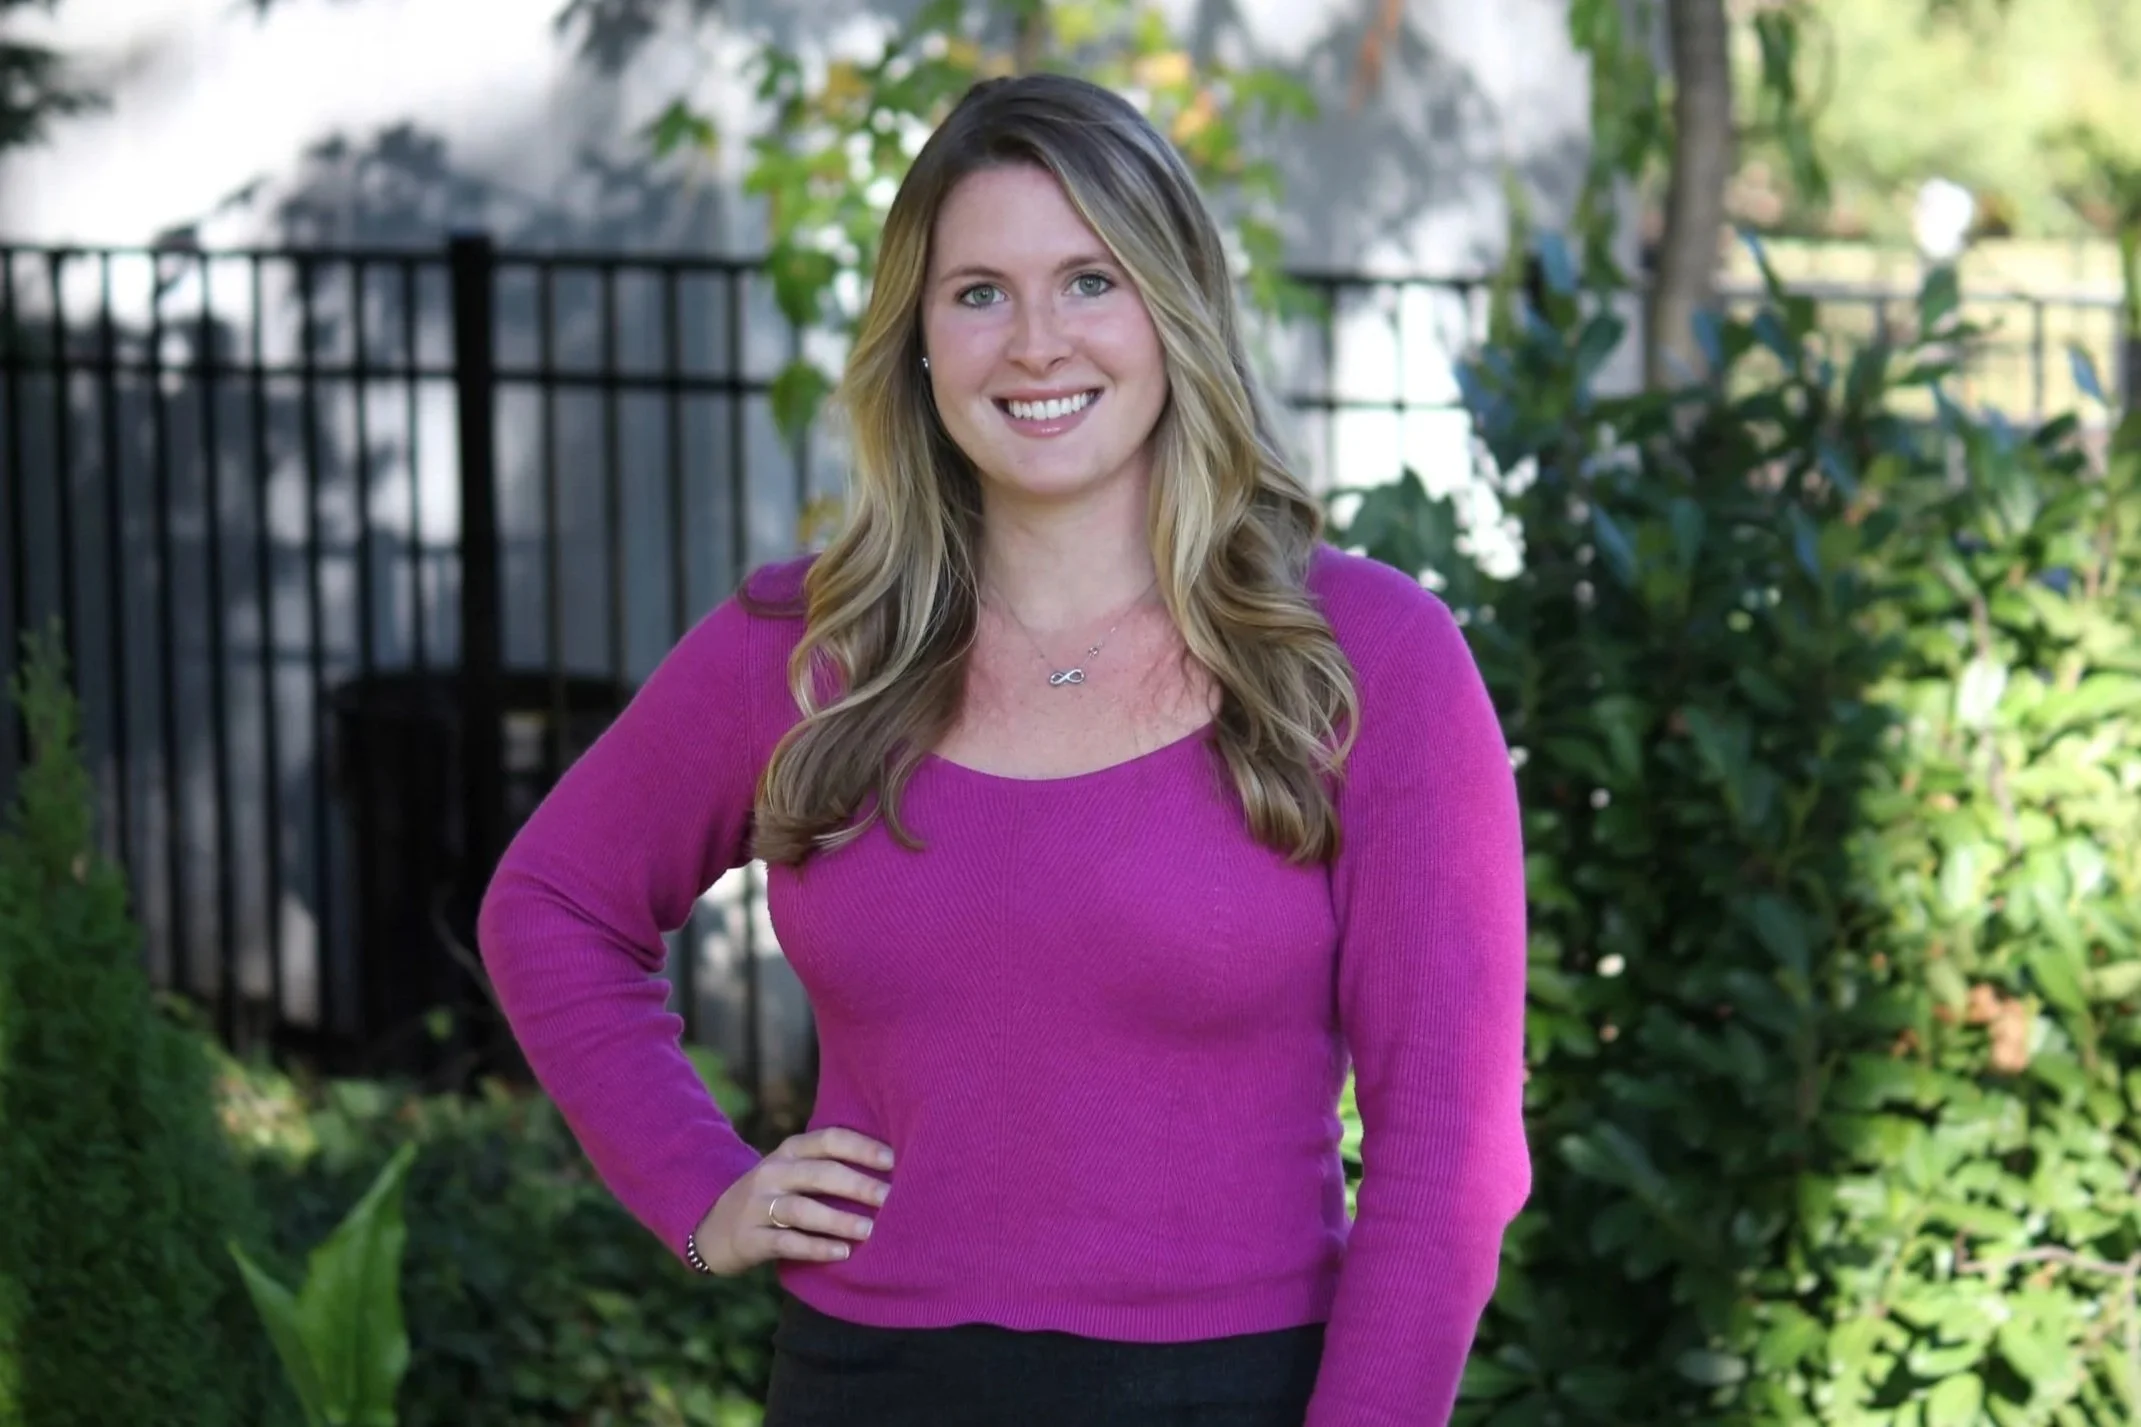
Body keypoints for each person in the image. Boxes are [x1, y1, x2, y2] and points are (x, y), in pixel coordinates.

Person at [477, 72, 1529, 1427]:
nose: (1036, 342)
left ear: (1177, 308)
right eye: (979, 293)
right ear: (918, 338)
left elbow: (1448, 1154)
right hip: (865, 1386)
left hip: (1234, 1394)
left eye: (1091, 280)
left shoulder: (1366, 657)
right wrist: (698, 1195)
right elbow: (553, 903)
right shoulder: (804, 645)